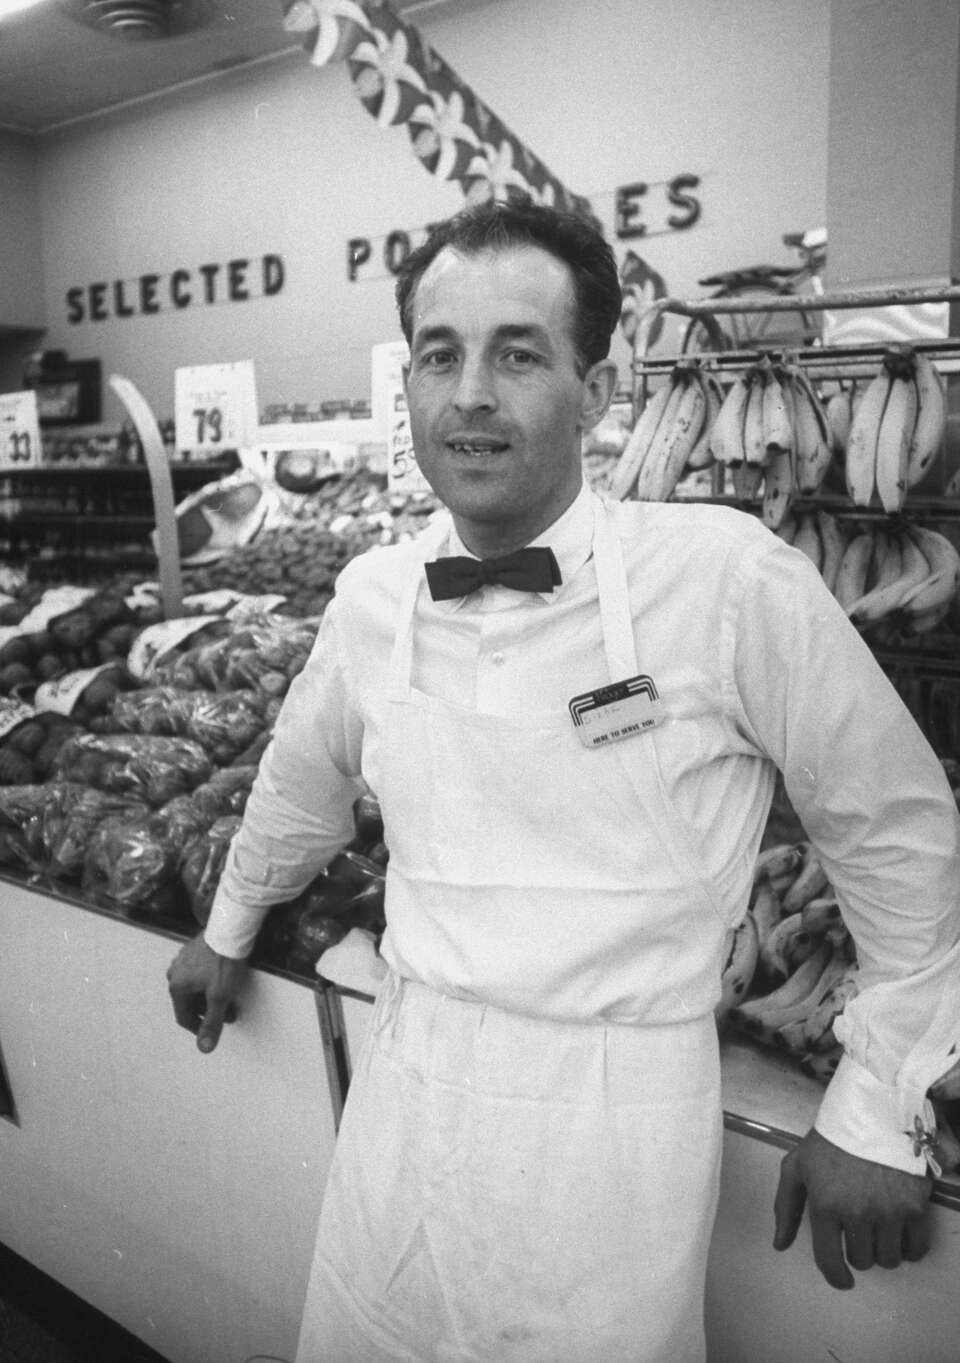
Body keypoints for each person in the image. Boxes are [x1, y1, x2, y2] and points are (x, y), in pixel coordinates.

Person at [167, 197, 960, 1363]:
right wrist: (228, 924)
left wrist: (881, 1097)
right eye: (440, 354)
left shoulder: (728, 579)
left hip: (615, 1128)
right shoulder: (373, 595)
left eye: (518, 353)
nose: (470, 393)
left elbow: (893, 828)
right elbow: (300, 786)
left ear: (597, 388)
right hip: (408, 1089)